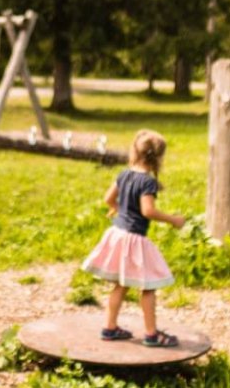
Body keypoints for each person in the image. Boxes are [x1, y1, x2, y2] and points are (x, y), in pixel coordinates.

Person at [80, 129, 189, 348]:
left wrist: (117, 209)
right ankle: (151, 334)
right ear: (157, 158)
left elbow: (108, 198)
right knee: (148, 287)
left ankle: (109, 328)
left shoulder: (124, 174)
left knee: (120, 285)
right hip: (133, 240)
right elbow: (147, 210)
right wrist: (173, 220)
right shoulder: (147, 182)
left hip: (117, 233)